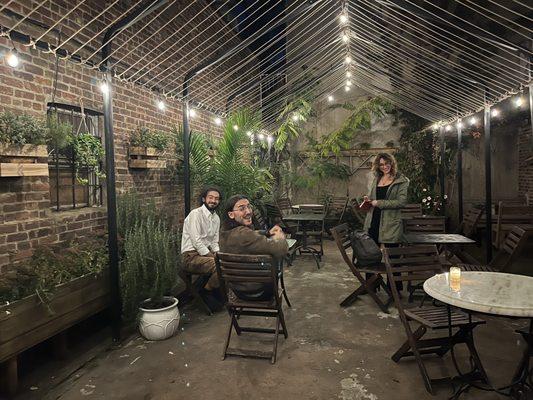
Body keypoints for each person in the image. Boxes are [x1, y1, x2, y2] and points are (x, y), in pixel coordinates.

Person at [219, 195, 288, 301]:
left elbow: (249, 236)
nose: (248, 211)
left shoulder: (224, 232)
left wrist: (266, 233)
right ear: (231, 214)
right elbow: (281, 249)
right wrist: (280, 237)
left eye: (249, 207)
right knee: (276, 257)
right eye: (242, 208)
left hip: (238, 291)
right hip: (259, 292)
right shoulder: (244, 235)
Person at [181, 186, 222, 294]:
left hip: (204, 256)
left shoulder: (216, 218)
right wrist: (214, 257)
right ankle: (205, 292)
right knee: (219, 265)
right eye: (210, 197)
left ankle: (216, 294)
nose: (213, 201)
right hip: (190, 257)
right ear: (204, 199)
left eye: (217, 198)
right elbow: (196, 241)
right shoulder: (196, 214)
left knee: (225, 262)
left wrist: (219, 255)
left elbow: (214, 242)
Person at [363, 152, 409, 245]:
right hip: (373, 220)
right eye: (381, 165)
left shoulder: (401, 180)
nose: (384, 167)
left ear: (392, 163)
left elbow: (401, 202)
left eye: (387, 163)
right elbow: (373, 197)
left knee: (391, 255)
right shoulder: (377, 178)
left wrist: (379, 203)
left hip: (390, 224)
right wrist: (368, 199)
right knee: (373, 254)